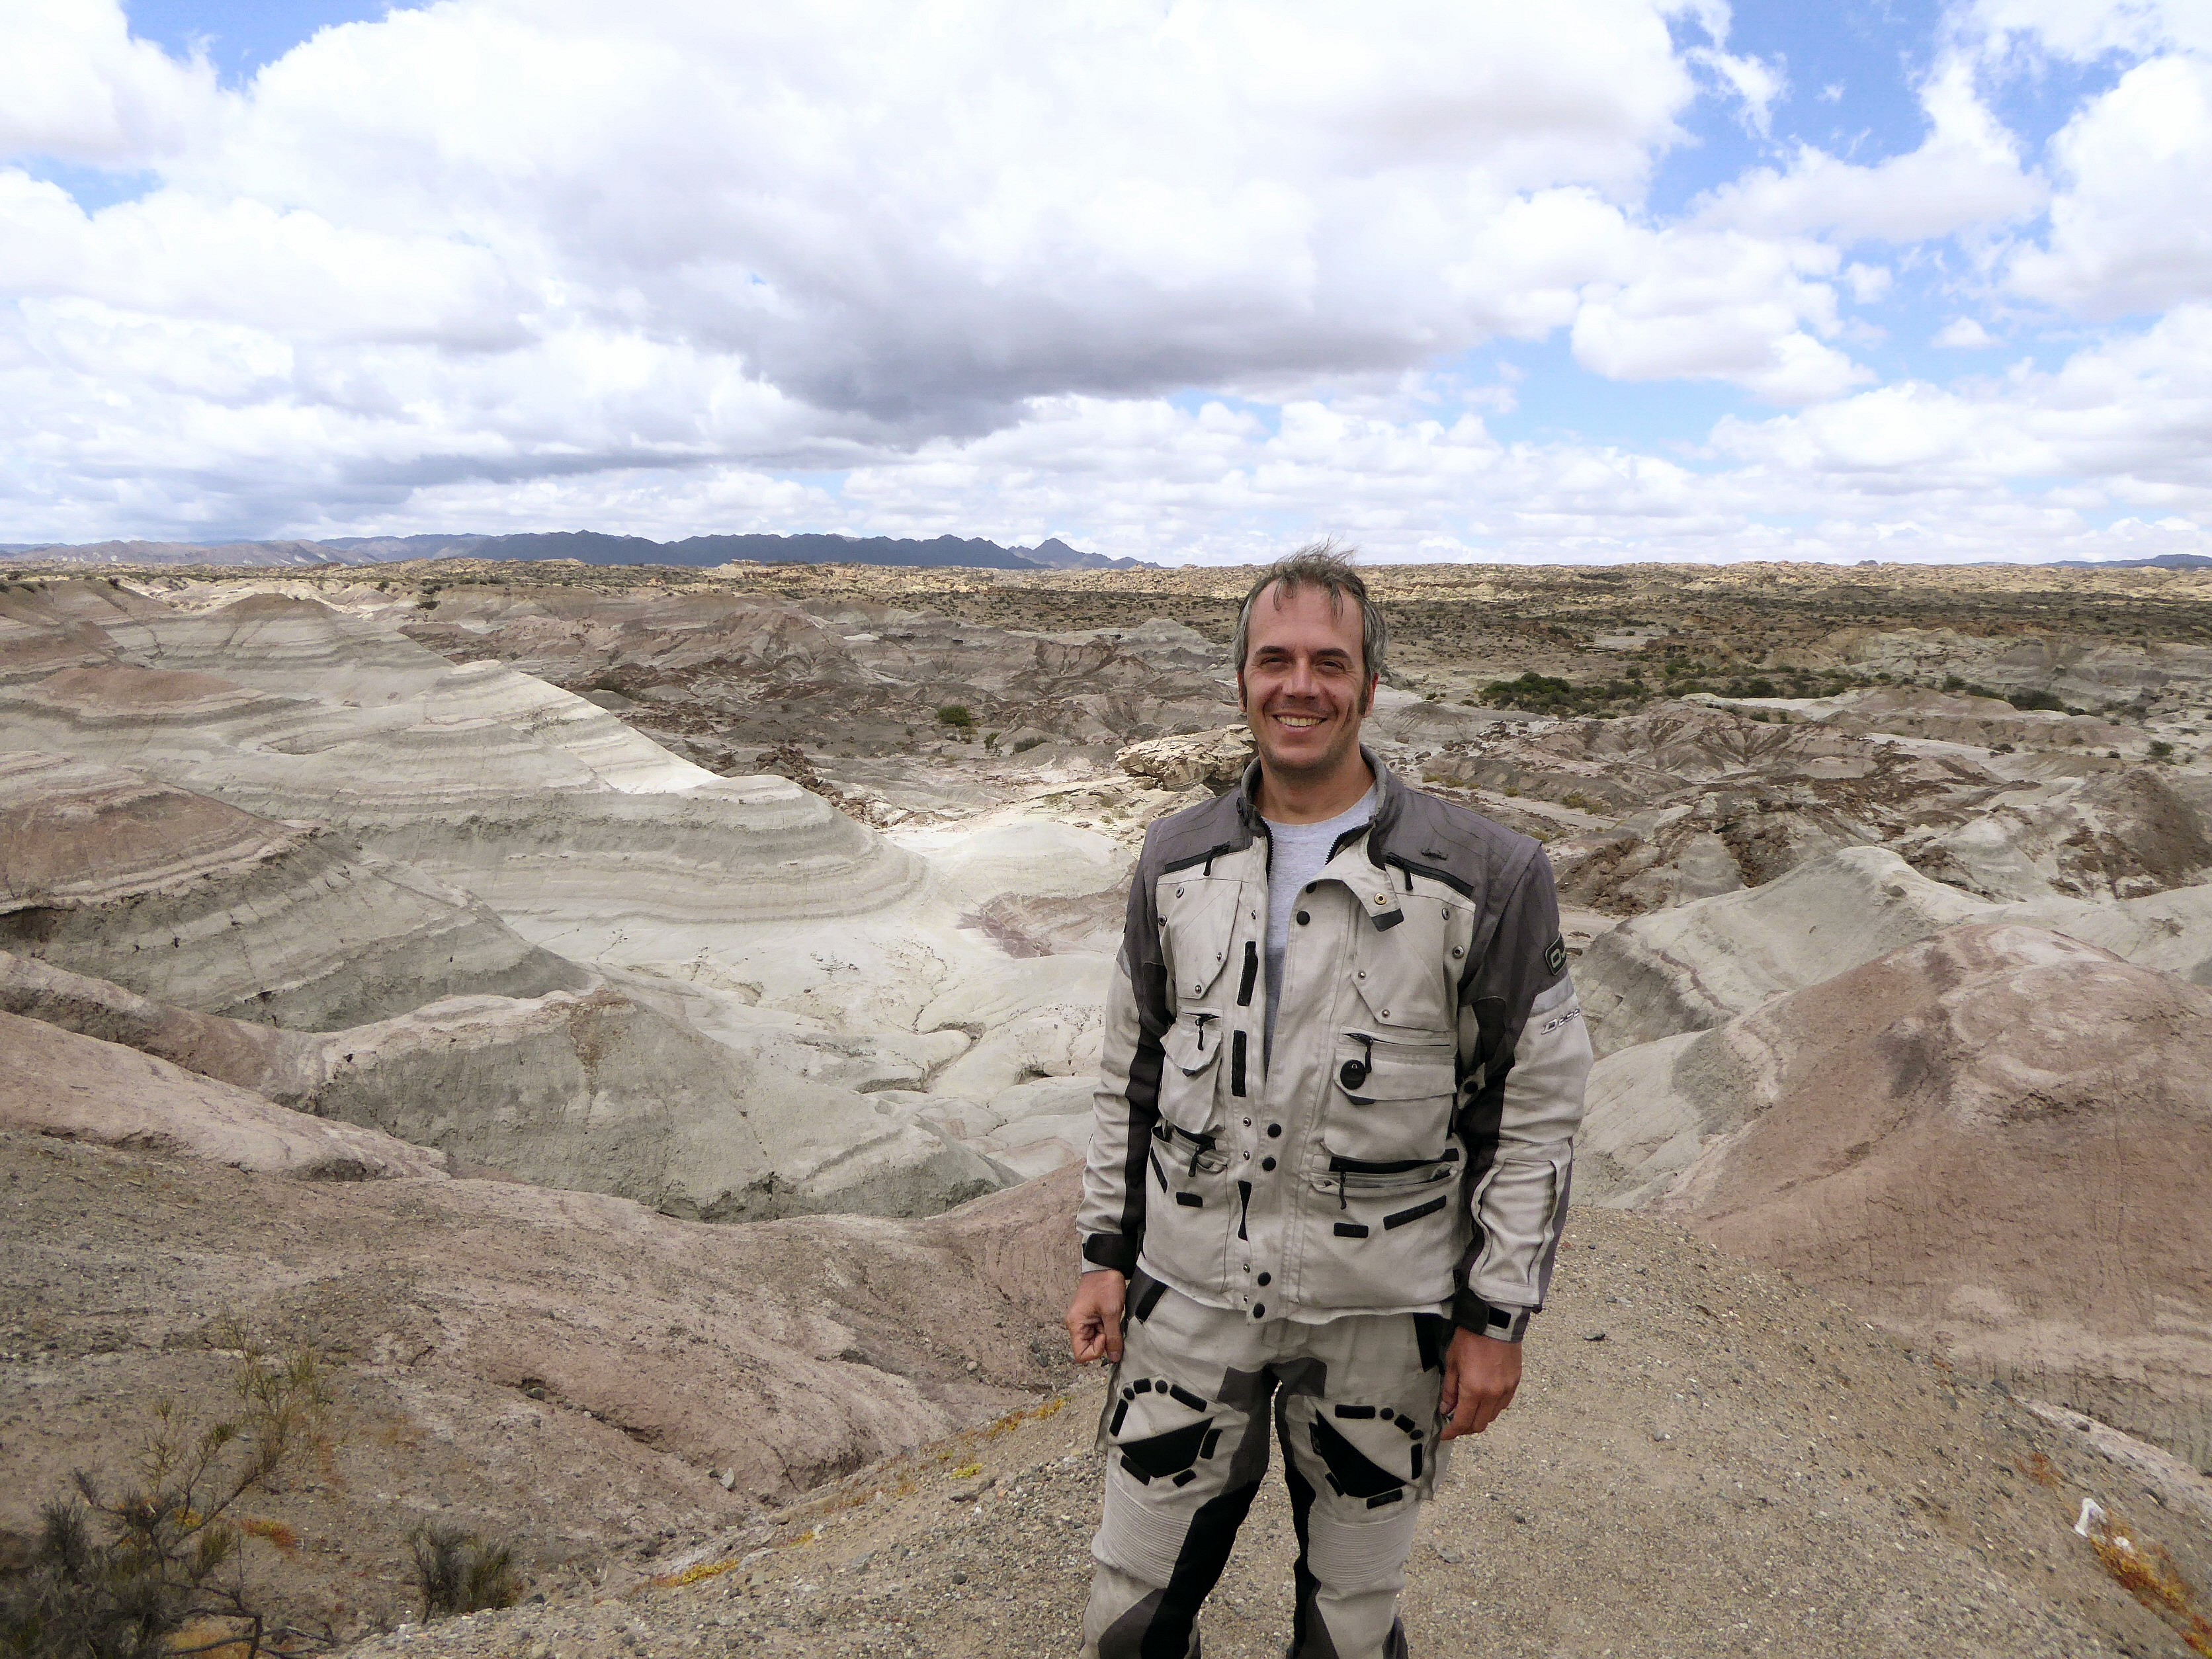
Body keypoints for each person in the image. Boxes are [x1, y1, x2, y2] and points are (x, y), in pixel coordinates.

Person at [1065, 543, 1593, 1659]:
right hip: (1191, 1296)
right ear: (1241, 680)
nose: (1298, 686)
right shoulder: (1174, 859)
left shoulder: (1488, 876)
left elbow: (1535, 1111)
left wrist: (1496, 1318)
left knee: (1348, 1630)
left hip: (1382, 1318)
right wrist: (1105, 1253)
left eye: (1327, 663)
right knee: (1128, 1616)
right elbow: (1132, 1072)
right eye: (1275, 660)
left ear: (1370, 684)